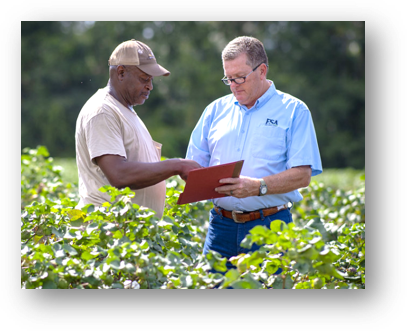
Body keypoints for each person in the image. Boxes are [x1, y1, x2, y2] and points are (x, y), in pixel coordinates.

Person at [186, 36, 323, 270]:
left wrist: (258, 186)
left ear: (262, 71)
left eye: (240, 77)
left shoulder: (294, 111)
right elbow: (193, 165)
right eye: (228, 79)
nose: (234, 85)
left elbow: (303, 175)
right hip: (220, 227)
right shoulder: (214, 110)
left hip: (270, 228)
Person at [75, 39, 201, 219]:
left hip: (129, 235)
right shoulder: (102, 111)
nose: (150, 86)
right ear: (121, 72)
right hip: (109, 235)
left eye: (151, 80)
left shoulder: (125, 109)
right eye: (144, 79)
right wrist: (177, 165)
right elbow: (119, 175)